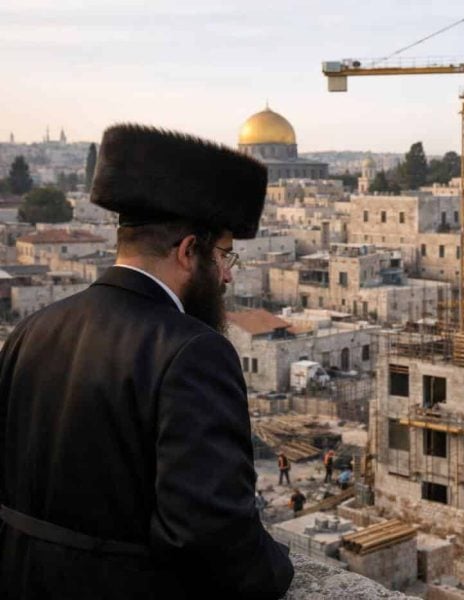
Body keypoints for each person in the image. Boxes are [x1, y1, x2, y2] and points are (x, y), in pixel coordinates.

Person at [0, 125, 293, 598]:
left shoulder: (35, 327)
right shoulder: (192, 350)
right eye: (224, 255)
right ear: (187, 251)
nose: (225, 275)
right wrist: (277, 568)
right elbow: (208, 532)